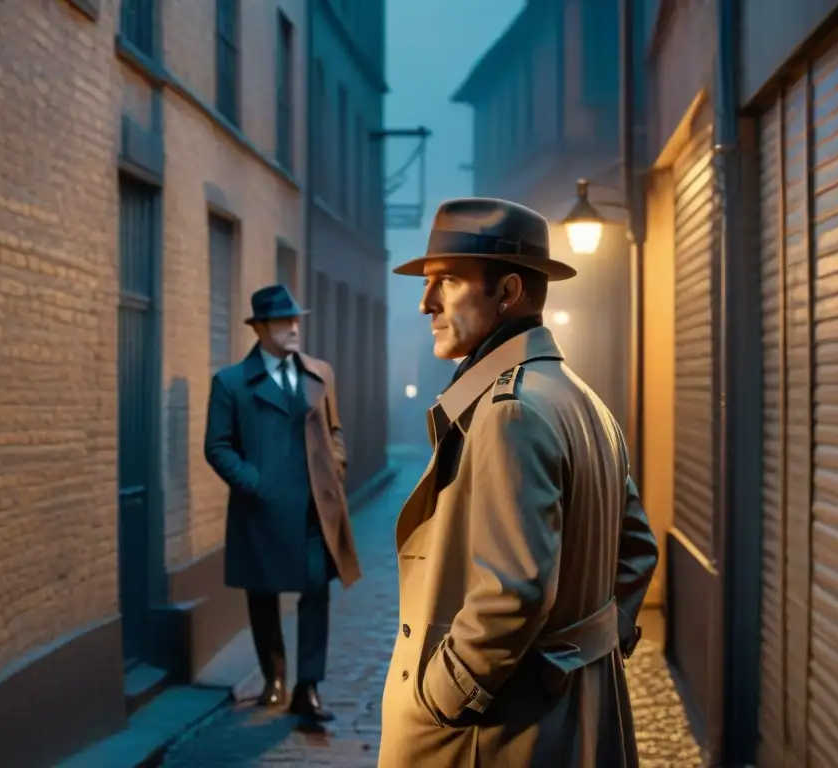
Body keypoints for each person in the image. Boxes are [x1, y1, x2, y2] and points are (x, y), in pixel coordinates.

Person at [379, 198, 659, 767]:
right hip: (572, 720)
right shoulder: (583, 400)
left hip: (497, 735)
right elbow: (637, 552)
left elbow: (513, 591)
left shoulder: (513, 411)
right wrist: (589, 651)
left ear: (507, 292)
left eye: (448, 281)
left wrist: (446, 695)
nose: (425, 302)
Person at [204, 283, 360, 723]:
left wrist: (337, 465)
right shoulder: (231, 383)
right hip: (262, 508)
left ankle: (308, 686)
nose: (293, 328)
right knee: (263, 592)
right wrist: (255, 483)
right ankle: (274, 677)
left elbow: (334, 428)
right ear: (261, 329)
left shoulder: (320, 373)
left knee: (316, 591)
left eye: (295, 319)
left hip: (315, 509)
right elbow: (217, 446)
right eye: (282, 321)